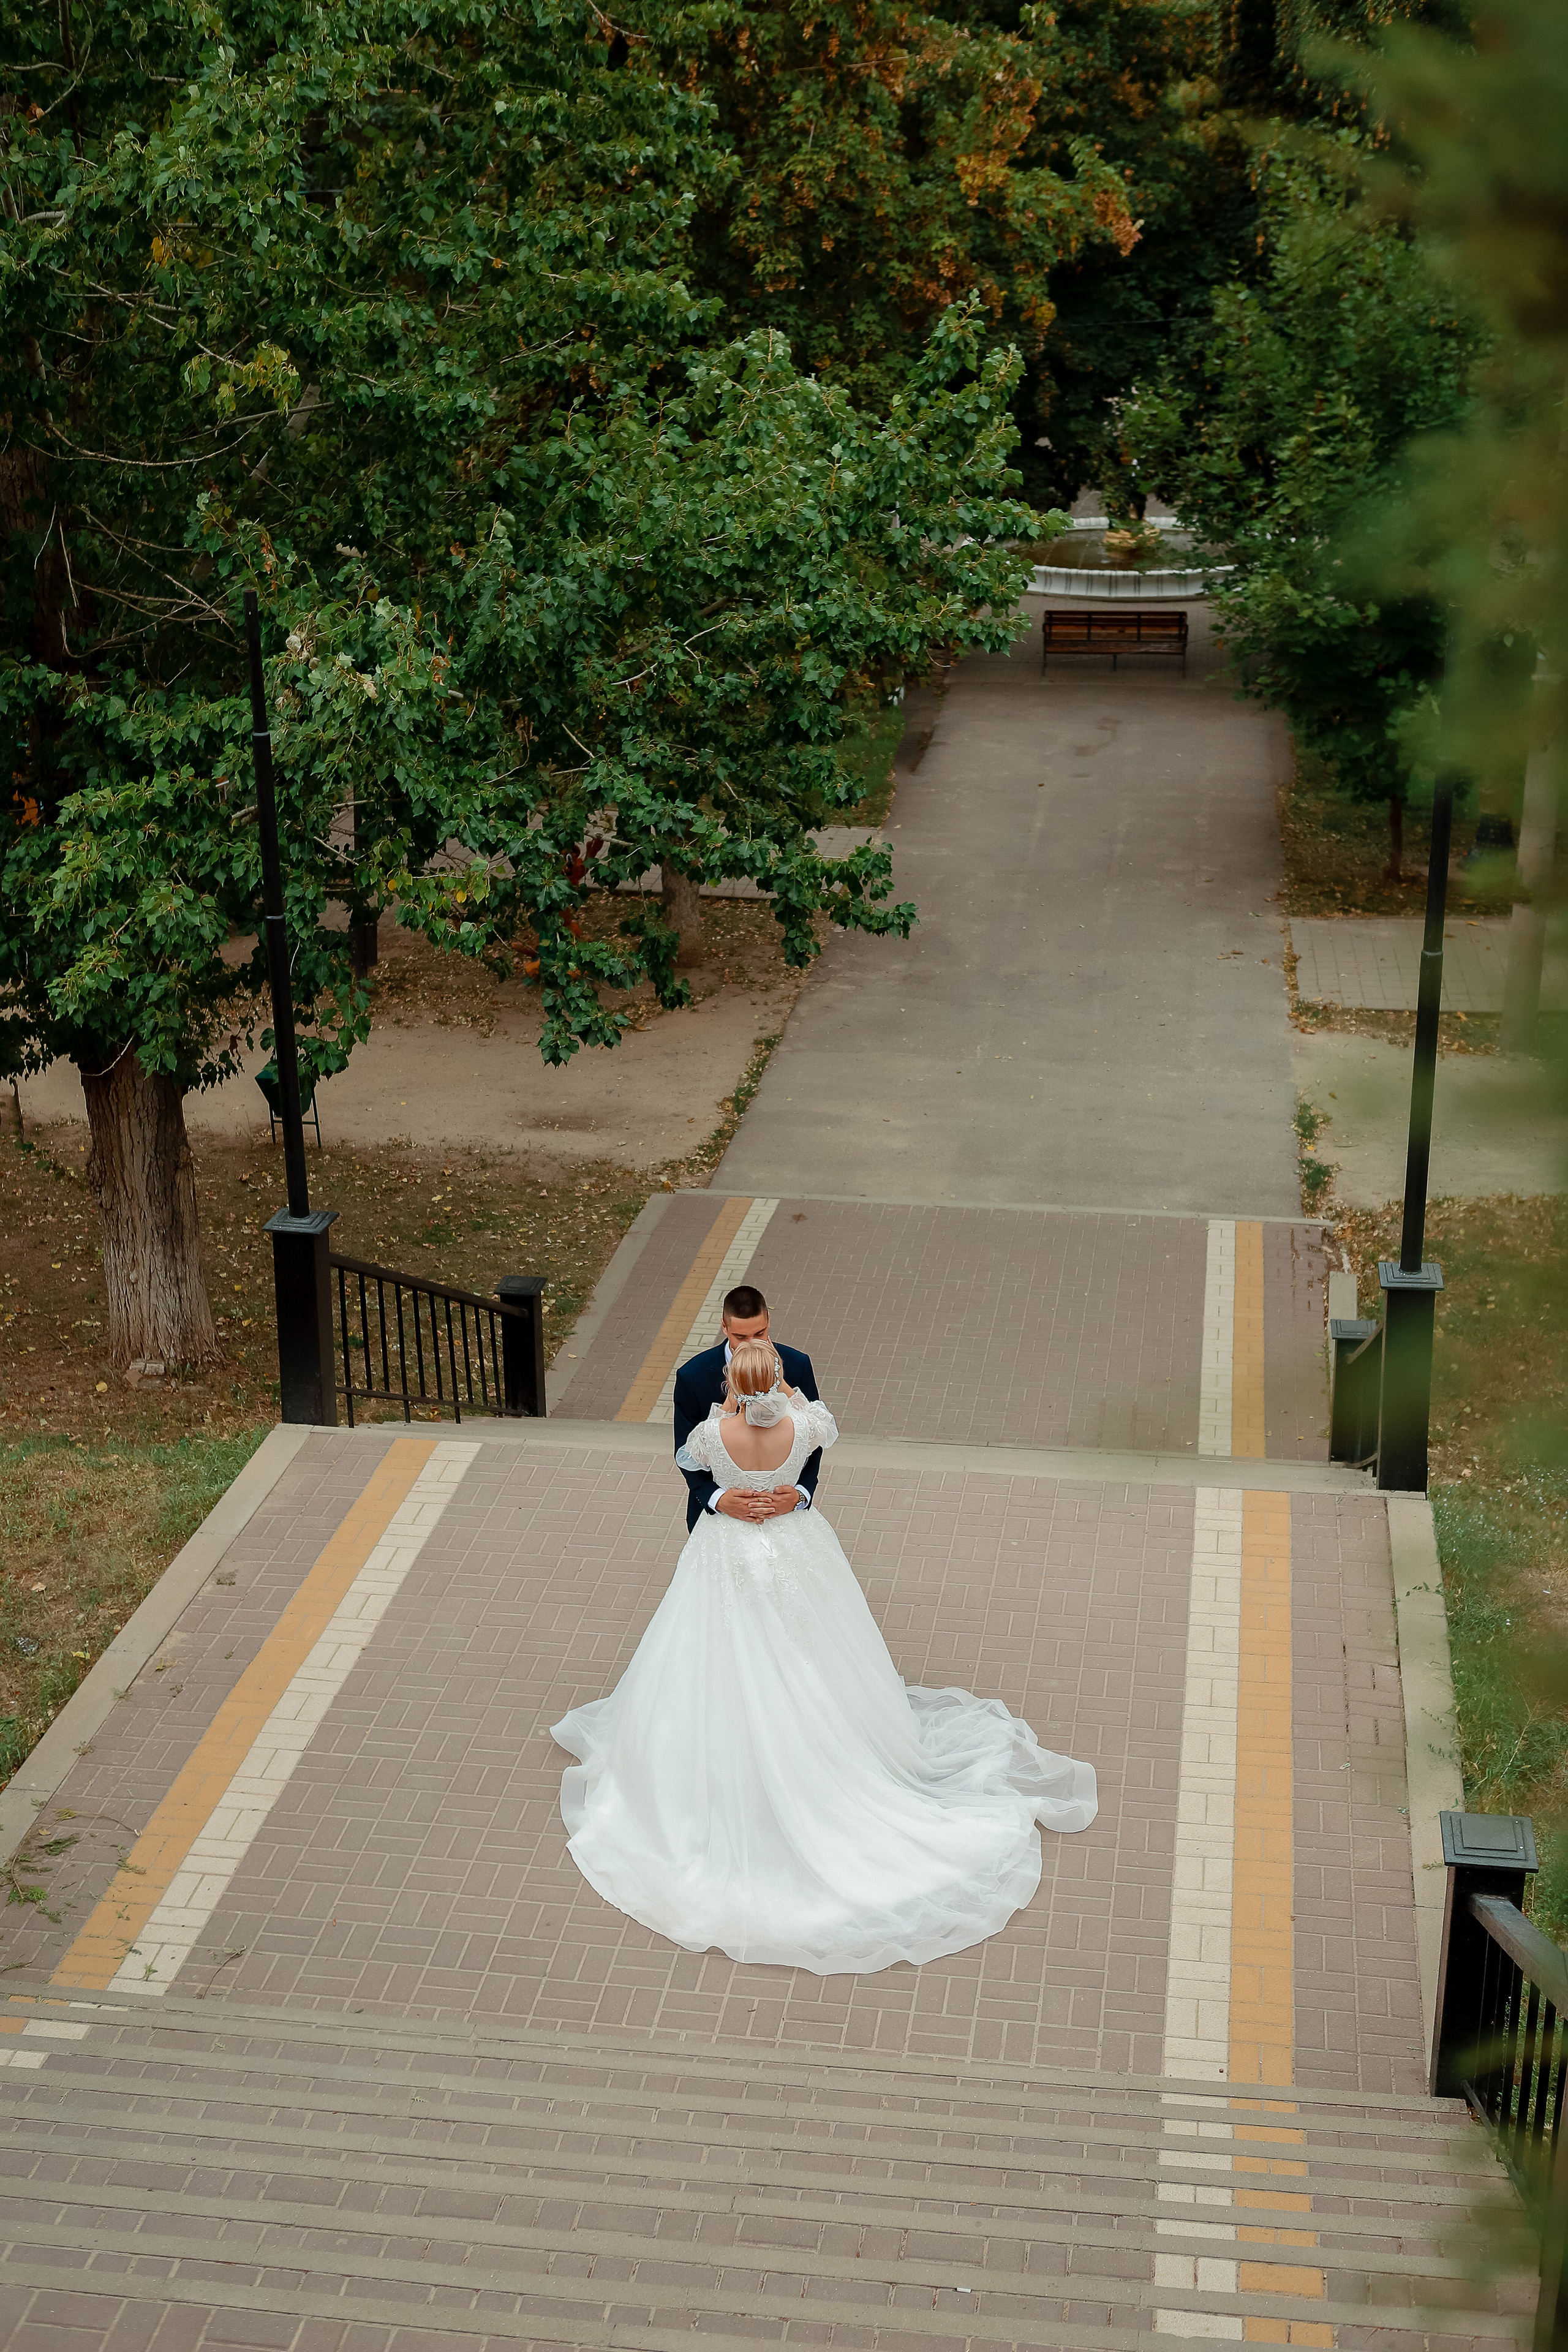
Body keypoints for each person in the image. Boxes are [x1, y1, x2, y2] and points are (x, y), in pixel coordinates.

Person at [551, 1319, 1098, 1976]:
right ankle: (825, 1736)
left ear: (728, 1381)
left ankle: (729, 1756)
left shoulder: (710, 1433)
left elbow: (692, 1459)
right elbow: (819, 1426)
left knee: (720, 1651)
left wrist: (734, 1421)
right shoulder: (804, 1426)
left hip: (727, 1554)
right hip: (793, 1547)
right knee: (809, 1648)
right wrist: (784, 1410)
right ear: (777, 1379)